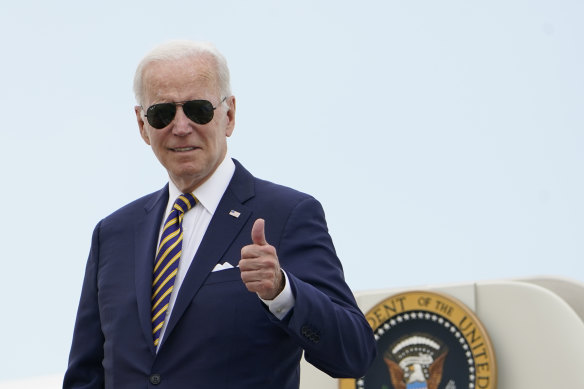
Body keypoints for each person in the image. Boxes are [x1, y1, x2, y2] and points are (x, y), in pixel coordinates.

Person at [63, 40, 376, 389]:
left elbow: (355, 354)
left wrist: (282, 292)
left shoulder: (287, 215)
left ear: (229, 115)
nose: (181, 127)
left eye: (198, 109)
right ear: (142, 125)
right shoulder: (113, 234)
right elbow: (86, 375)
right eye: (163, 114)